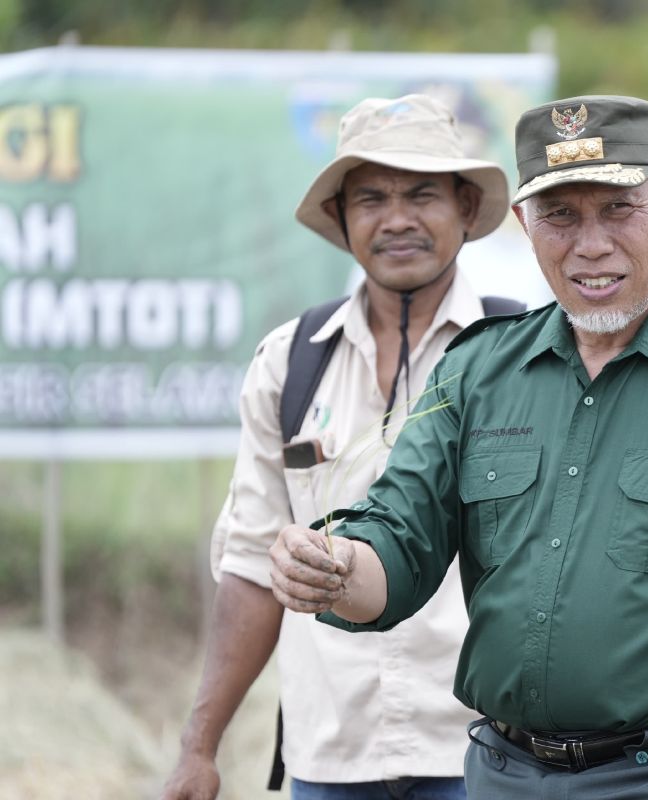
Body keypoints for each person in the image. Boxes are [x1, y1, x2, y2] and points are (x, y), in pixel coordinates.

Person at [267, 94, 648, 799]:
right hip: (503, 776)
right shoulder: (476, 371)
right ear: (524, 224)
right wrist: (336, 567)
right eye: (560, 215)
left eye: (619, 209)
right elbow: (397, 540)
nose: (590, 244)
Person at [161, 94, 518, 800]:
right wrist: (199, 746)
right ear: (342, 219)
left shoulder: (519, 356)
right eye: (371, 198)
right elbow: (251, 564)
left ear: (467, 209)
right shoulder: (290, 363)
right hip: (331, 757)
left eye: (422, 194)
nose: (397, 219)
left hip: (482, 750)